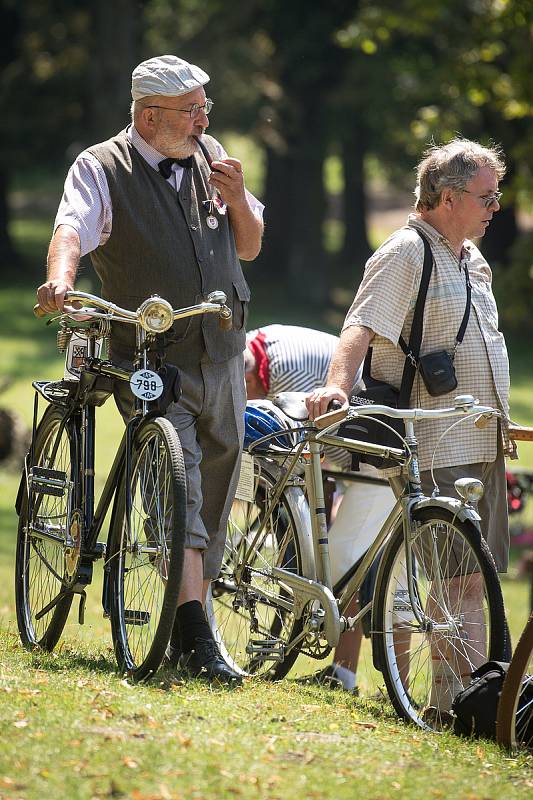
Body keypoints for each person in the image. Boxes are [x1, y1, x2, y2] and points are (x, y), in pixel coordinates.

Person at [37, 55, 264, 686]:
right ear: (148, 115)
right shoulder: (101, 166)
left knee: (215, 488)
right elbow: (70, 228)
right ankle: (196, 634)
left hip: (222, 352)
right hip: (150, 356)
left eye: (204, 109)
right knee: (182, 485)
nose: (202, 120)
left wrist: (239, 197)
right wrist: (60, 280)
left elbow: (248, 245)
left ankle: (189, 610)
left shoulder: (211, 156)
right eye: (191, 111)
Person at [306, 137, 514, 711]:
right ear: (447, 198)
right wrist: (336, 387)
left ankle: (470, 701)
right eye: (487, 197)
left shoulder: (472, 259)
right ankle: (460, 707)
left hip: (482, 438)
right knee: (456, 584)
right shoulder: (406, 251)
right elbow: (362, 325)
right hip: (436, 440)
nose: (496, 208)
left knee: (478, 579)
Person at [245, 324, 395, 692]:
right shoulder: (262, 348)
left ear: (249, 374)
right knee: (350, 562)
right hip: (356, 445)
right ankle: (344, 673)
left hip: (367, 445)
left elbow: (305, 450)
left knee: (342, 563)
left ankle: (348, 672)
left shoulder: (283, 370)